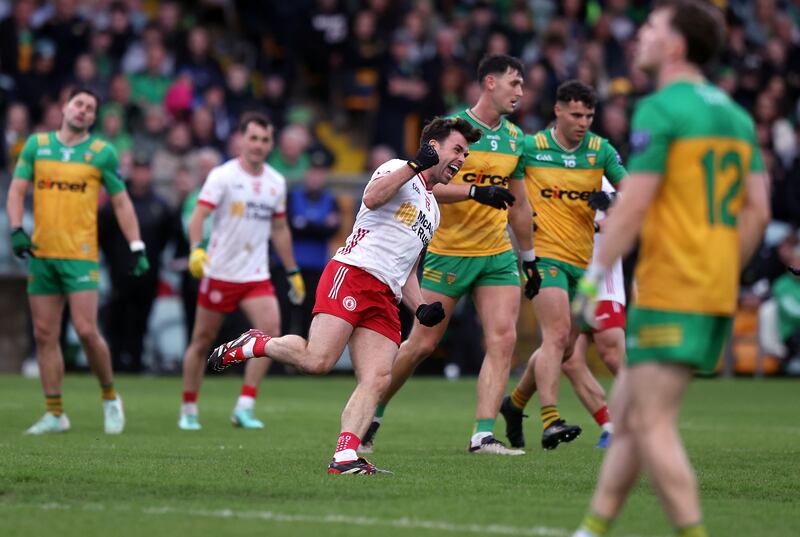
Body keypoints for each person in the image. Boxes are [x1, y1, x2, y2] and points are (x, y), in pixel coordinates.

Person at [571, 2, 770, 536]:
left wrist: (593, 278)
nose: (639, 34)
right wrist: (722, 268)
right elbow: (759, 210)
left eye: (652, 27)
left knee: (652, 423)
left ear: (676, 47)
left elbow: (633, 203)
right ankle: (591, 529)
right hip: (709, 286)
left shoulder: (661, 107)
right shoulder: (736, 115)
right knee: (631, 413)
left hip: (669, 286)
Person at [208, 117, 482, 474]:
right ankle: (255, 344)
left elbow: (409, 268)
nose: (462, 159)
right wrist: (416, 164)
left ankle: (345, 456)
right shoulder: (398, 167)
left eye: (466, 153)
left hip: (387, 296)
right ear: (433, 146)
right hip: (352, 275)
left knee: (378, 379)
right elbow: (371, 197)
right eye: (457, 150)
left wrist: (420, 307)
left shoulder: (433, 209)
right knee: (317, 361)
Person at [363, 54, 539, 456]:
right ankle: (372, 412)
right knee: (421, 346)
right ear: (490, 82)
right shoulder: (452, 131)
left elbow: (521, 205)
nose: (521, 92)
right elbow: (422, 185)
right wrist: (475, 191)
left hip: (497, 253)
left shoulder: (517, 139)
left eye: (523, 85)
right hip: (449, 252)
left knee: (503, 338)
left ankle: (482, 435)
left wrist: (529, 259)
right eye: (515, 83)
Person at [7, 87, 150, 435]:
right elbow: (17, 189)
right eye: (79, 103)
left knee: (87, 331)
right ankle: (55, 413)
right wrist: (16, 228)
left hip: (81, 256)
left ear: (94, 118)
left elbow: (121, 202)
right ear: (64, 106)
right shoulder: (36, 146)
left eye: (90, 108)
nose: (84, 110)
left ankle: (110, 397)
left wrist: (136, 244)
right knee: (44, 334)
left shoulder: (101, 152)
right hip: (43, 254)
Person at [499, 80, 627, 451]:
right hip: (544, 257)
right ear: (557, 111)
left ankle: (516, 403)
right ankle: (551, 419)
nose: (583, 121)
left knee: (567, 348)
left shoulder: (601, 151)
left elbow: (631, 194)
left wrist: (614, 200)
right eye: (576, 114)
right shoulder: (530, 147)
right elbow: (506, 186)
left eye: (588, 115)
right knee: (556, 336)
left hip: (585, 266)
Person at [178, 112, 305, 431]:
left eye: (265, 140)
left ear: (271, 144)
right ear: (241, 140)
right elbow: (198, 217)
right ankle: (189, 408)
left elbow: (279, 229)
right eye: (253, 138)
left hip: (255, 276)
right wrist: (196, 249)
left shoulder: (276, 182)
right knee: (202, 340)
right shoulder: (223, 176)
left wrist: (292, 271)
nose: (259, 145)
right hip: (220, 272)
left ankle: (245, 406)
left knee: (269, 333)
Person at [99, 155, 174, 373]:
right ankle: (114, 362)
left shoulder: (160, 205)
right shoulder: (116, 203)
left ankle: (136, 361)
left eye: (145, 170)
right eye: (138, 169)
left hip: (148, 273)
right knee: (116, 317)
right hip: (119, 272)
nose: (141, 175)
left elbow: (167, 236)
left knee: (141, 319)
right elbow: (102, 234)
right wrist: (114, 258)